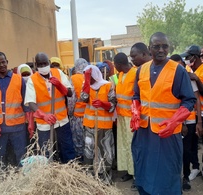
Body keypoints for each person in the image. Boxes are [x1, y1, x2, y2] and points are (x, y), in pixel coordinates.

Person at [130, 32, 196, 195]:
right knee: (143, 169)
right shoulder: (142, 70)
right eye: (156, 46)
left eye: (164, 46)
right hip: (144, 133)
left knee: (166, 175)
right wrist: (135, 112)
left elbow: (189, 100)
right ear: (149, 48)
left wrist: (175, 121)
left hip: (166, 135)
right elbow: (136, 96)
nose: (161, 50)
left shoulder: (177, 71)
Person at [24, 52, 75, 163]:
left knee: (67, 147)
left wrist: (60, 85)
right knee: (46, 150)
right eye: (40, 65)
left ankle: (70, 170)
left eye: (45, 63)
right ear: (36, 65)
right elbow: (31, 102)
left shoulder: (58, 72)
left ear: (49, 63)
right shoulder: (32, 80)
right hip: (44, 123)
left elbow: (69, 93)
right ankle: (48, 173)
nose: (43, 67)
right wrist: (44, 115)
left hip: (62, 119)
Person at [0, 51, 33, 167]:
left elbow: (26, 103)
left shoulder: (19, 79)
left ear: (7, 62)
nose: (2, 65)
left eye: (3, 62)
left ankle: (23, 179)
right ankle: (1, 181)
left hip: (18, 127)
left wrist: (30, 123)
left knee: (21, 156)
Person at [170, 54, 202, 191]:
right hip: (174, 122)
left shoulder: (189, 78)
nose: (178, 68)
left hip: (189, 121)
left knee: (186, 150)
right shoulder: (169, 80)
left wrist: (199, 122)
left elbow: (197, 101)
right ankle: (176, 177)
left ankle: (185, 177)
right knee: (175, 151)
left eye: (180, 65)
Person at [80, 65, 116, 183]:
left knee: (104, 151)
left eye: (90, 77)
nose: (88, 80)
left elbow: (113, 104)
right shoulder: (86, 86)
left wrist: (102, 104)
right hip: (90, 125)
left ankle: (104, 177)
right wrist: (86, 80)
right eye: (86, 77)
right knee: (89, 151)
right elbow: (83, 98)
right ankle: (90, 177)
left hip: (104, 126)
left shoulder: (107, 85)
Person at [180, 45, 203, 181]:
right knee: (192, 144)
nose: (187, 60)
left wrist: (196, 79)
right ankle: (196, 168)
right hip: (194, 114)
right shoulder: (190, 70)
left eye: (188, 57)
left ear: (194, 57)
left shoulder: (199, 71)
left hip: (199, 113)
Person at [114, 52, 137, 183]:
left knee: (132, 145)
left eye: (115, 64)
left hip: (131, 117)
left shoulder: (135, 73)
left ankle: (136, 174)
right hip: (122, 116)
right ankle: (129, 170)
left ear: (119, 64)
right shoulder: (120, 75)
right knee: (124, 145)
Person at [67, 58, 88, 161]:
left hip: (78, 117)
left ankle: (80, 159)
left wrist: (70, 113)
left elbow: (71, 99)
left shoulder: (74, 78)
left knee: (78, 139)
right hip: (89, 116)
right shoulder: (90, 76)